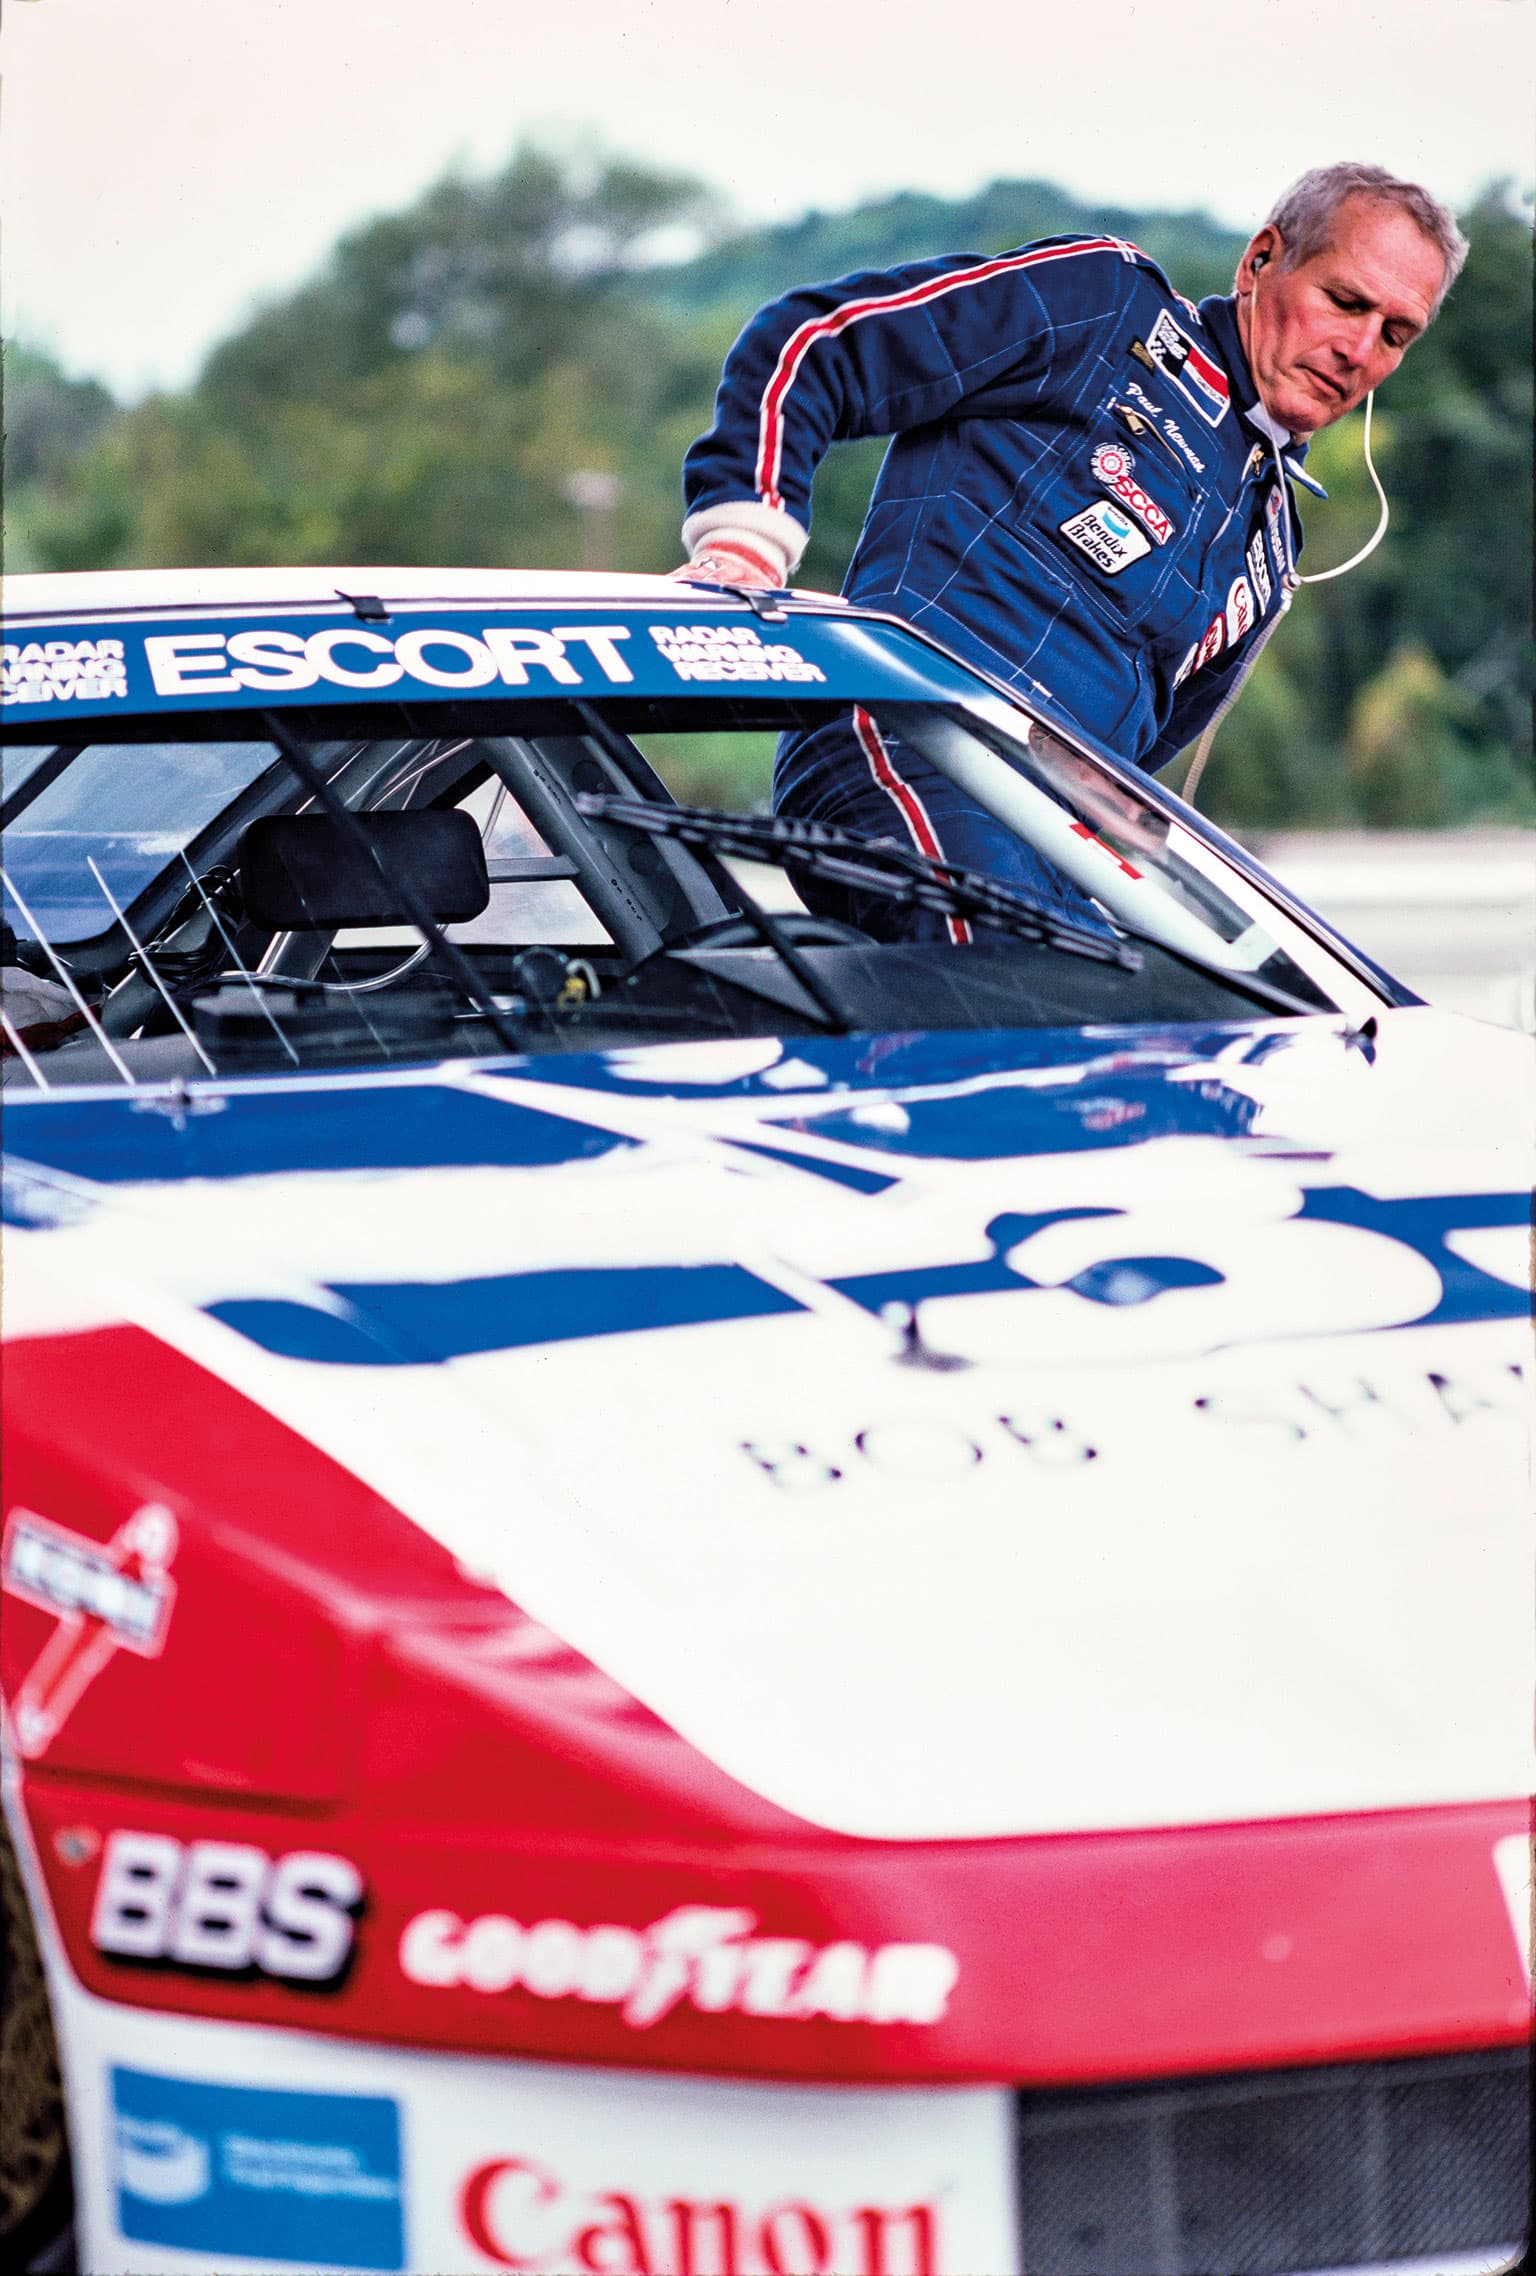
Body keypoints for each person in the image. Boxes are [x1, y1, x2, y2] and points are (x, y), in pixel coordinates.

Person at [675, 163, 1467, 940]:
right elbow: (816, 341)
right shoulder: (1108, 307)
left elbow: (1138, 763)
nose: (1361, 351)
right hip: (915, 746)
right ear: (1262, 260)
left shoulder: (1271, 539)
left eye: (1395, 333)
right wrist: (745, 544)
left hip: (1058, 843)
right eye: (1345, 302)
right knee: (1015, 993)